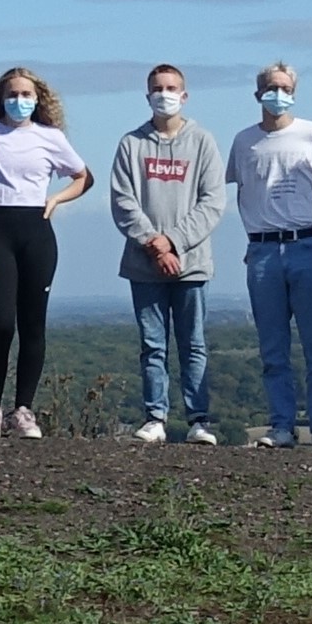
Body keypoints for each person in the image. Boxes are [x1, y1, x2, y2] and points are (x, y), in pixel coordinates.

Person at [0, 67, 94, 439]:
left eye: (27, 95)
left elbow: (83, 176)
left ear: (38, 100)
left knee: (34, 324)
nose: (20, 101)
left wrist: (56, 199)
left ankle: (24, 410)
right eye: (13, 94)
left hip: (36, 229)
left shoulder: (50, 138)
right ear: (0, 98)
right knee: (1, 324)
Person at [225, 64, 312, 447]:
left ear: (294, 92)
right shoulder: (244, 140)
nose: (277, 94)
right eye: (270, 88)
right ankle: (281, 425)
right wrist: (253, 236)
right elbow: (242, 189)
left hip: (307, 244)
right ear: (257, 94)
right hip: (263, 250)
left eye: (284, 88)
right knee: (272, 348)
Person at [105, 64, 227, 445]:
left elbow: (213, 202)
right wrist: (153, 244)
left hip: (191, 265)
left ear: (184, 95)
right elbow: (123, 201)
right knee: (153, 346)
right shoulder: (131, 144)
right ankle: (155, 417)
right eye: (157, 88)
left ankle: (199, 420)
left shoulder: (203, 141)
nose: (165, 94)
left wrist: (172, 241)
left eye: (172, 87)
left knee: (193, 345)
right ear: (147, 96)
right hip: (143, 265)